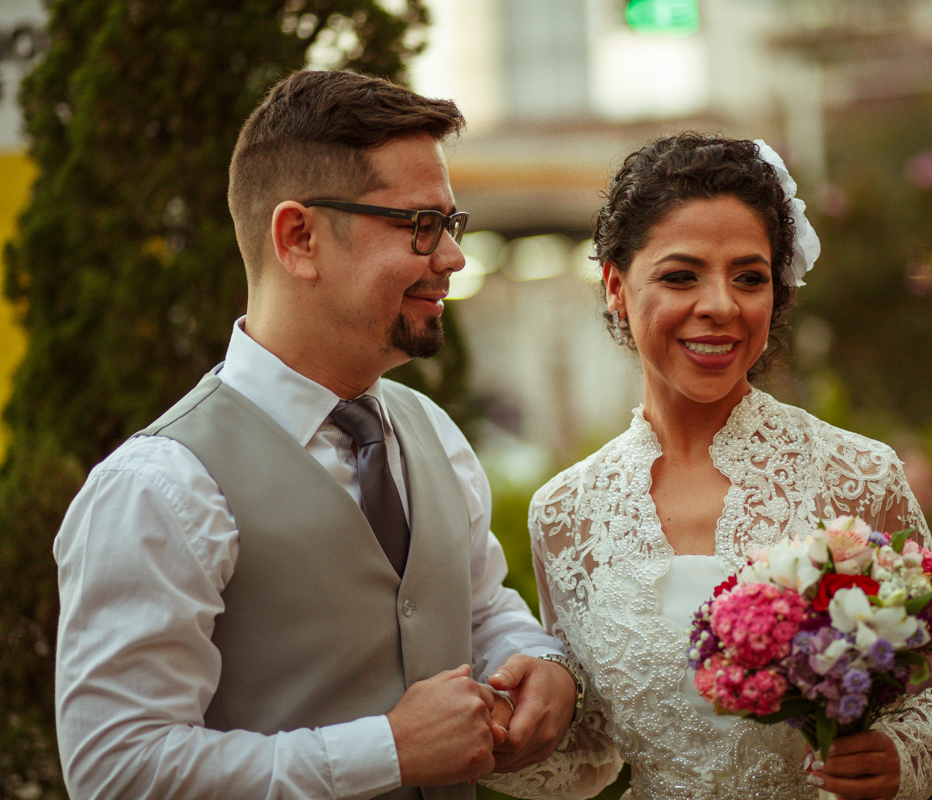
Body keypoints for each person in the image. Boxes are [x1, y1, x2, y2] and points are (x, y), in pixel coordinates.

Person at [53, 70, 579, 800]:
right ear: (299, 238)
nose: (453, 258)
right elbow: (117, 774)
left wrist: (535, 658)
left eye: (449, 225)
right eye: (419, 226)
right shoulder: (158, 486)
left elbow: (482, 607)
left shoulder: (431, 429)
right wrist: (385, 751)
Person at [483, 134, 932, 800]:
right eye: (681, 275)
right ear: (616, 286)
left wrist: (898, 754)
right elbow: (592, 746)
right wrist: (499, 727)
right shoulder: (566, 512)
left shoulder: (859, 474)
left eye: (749, 277)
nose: (721, 305)